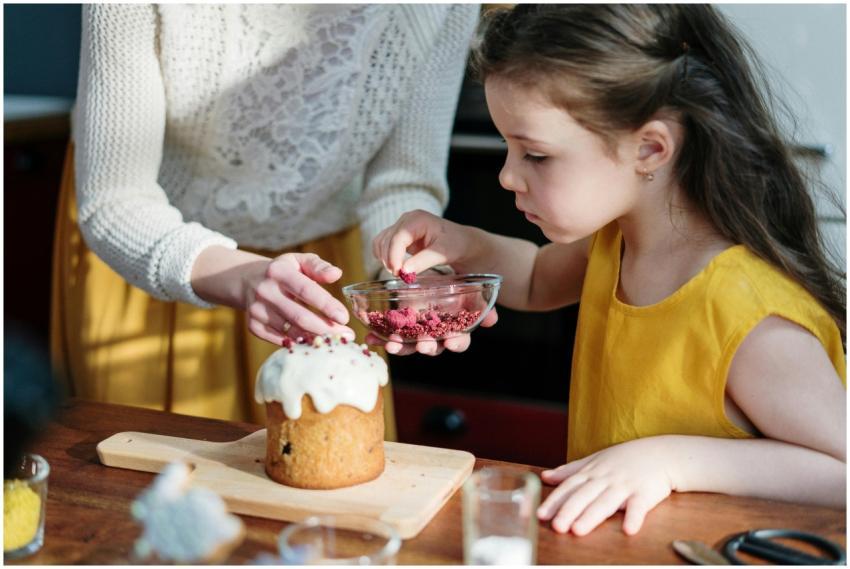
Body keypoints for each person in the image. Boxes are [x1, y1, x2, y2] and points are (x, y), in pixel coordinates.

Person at [371, 4, 846, 534]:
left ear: (649, 147)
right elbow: (532, 278)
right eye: (509, 148)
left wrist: (670, 462)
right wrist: (461, 243)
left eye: (536, 155)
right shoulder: (613, 242)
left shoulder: (749, 315)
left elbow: (841, 471)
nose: (507, 175)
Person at [51, 4, 480, 438]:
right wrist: (240, 275)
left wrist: (408, 278)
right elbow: (115, 200)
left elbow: (402, 179)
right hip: (159, 264)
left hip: (320, 280)